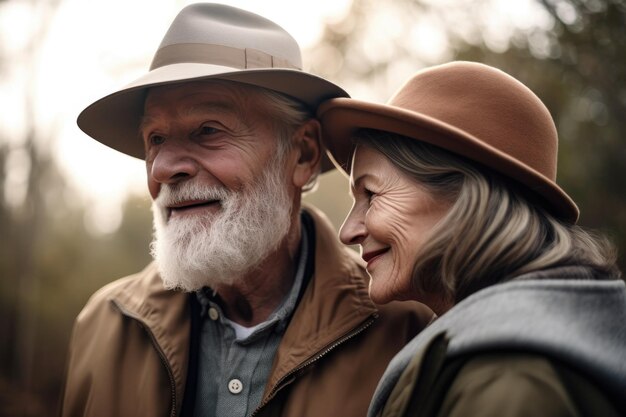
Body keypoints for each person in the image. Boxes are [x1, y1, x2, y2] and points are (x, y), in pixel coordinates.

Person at [59, 4, 434, 417]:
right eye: (156, 139)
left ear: (303, 154)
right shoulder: (105, 325)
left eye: (208, 130)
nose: (163, 169)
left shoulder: (408, 331)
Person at [318, 61, 626, 417]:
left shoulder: (508, 380)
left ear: (466, 199)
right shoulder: (488, 358)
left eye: (371, 194)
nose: (347, 231)